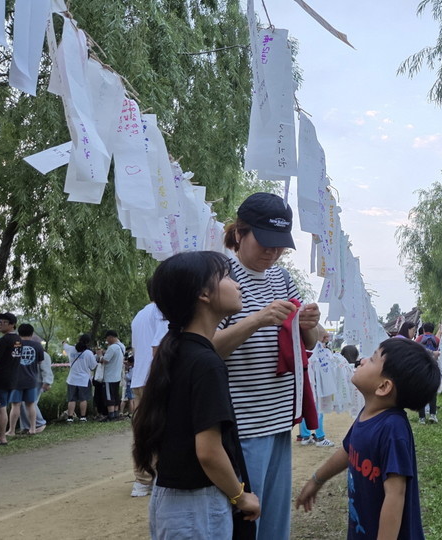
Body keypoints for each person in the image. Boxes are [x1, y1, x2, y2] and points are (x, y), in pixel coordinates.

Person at [211, 192, 321, 540]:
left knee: (274, 518)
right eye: (265, 243)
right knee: (247, 516)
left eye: (280, 246)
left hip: (276, 416)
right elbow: (206, 349)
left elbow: (312, 341)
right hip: (242, 421)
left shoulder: (281, 278)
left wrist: (310, 322)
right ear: (239, 233)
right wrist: (256, 321)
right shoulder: (218, 278)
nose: (272, 253)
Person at [132, 250, 260, 539]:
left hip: (173, 500)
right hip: (197, 505)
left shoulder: (177, 349)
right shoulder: (206, 363)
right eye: (226, 277)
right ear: (203, 293)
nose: (236, 283)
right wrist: (241, 497)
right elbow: (209, 451)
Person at [295, 338, 441, 539]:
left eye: (372, 359)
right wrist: (317, 480)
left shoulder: (393, 429)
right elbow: (348, 450)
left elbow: (395, 495)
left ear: (383, 387)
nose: (362, 360)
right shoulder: (367, 414)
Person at [129, 287, 168, 497]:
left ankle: (142, 480)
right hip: (155, 379)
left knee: (144, 430)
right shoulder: (162, 311)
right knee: (163, 429)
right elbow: (158, 348)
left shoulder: (140, 314)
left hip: (139, 378)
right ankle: (159, 477)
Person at [297, 329, 336, 448]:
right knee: (318, 409)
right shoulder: (318, 350)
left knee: (305, 409)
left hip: (304, 383)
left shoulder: (302, 348)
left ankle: (305, 436)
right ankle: (320, 437)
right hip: (315, 384)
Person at [0, 312, 22, 445]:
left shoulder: (4, 340)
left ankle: (2, 437)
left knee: (0, 408)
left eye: (4, 322)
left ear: (12, 325)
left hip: (0, 378)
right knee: (1, 407)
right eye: (0, 322)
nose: (0, 324)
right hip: (11, 378)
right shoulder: (18, 340)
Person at [6, 323, 44, 436]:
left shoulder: (15, 345)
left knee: (15, 405)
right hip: (32, 378)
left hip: (16, 379)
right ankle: (32, 428)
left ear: (19, 333)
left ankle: (11, 430)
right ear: (32, 334)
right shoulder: (38, 346)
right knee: (30, 404)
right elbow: (40, 361)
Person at [19, 338, 53, 434]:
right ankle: (26, 426)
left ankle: (40, 423)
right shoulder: (25, 353)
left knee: (30, 403)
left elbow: (46, 370)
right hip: (26, 381)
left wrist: (47, 382)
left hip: (37, 382)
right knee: (22, 404)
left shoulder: (44, 355)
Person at [63, 334, 98, 422]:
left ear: (79, 339)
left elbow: (64, 345)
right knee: (83, 399)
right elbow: (93, 366)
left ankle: (70, 417)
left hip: (72, 379)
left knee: (71, 399)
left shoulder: (71, 349)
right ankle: (83, 417)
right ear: (88, 342)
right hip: (84, 380)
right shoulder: (88, 353)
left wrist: (64, 342)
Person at [415, 323, 440, 425]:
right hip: (433, 366)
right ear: (433, 330)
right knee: (432, 391)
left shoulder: (419, 338)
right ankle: (433, 414)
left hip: (421, 367)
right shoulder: (437, 339)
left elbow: (415, 350)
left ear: (424, 329)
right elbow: (438, 353)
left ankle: (421, 418)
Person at [99, 330, 125, 421]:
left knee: (109, 396)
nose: (107, 340)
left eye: (107, 338)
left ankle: (111, 415)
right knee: (115, 395)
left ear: (110, 337)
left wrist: (100, 356)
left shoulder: (112, 347)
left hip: (109, 376)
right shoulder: (122, 346)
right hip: (117, 375)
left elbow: (105, 360)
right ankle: (116, 414)